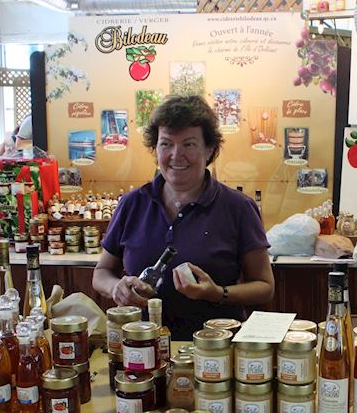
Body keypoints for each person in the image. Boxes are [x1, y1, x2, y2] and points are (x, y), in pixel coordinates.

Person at [93, 95, 274, 340]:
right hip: (143, 346)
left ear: (209, 149)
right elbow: (102, 271)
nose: (176, 155)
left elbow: (265, 287)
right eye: (166, 143)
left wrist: (218, 293)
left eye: (189, 144)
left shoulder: (238, 207)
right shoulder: (132, 204)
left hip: (217, 349)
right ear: (155, 148)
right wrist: (116, 288)